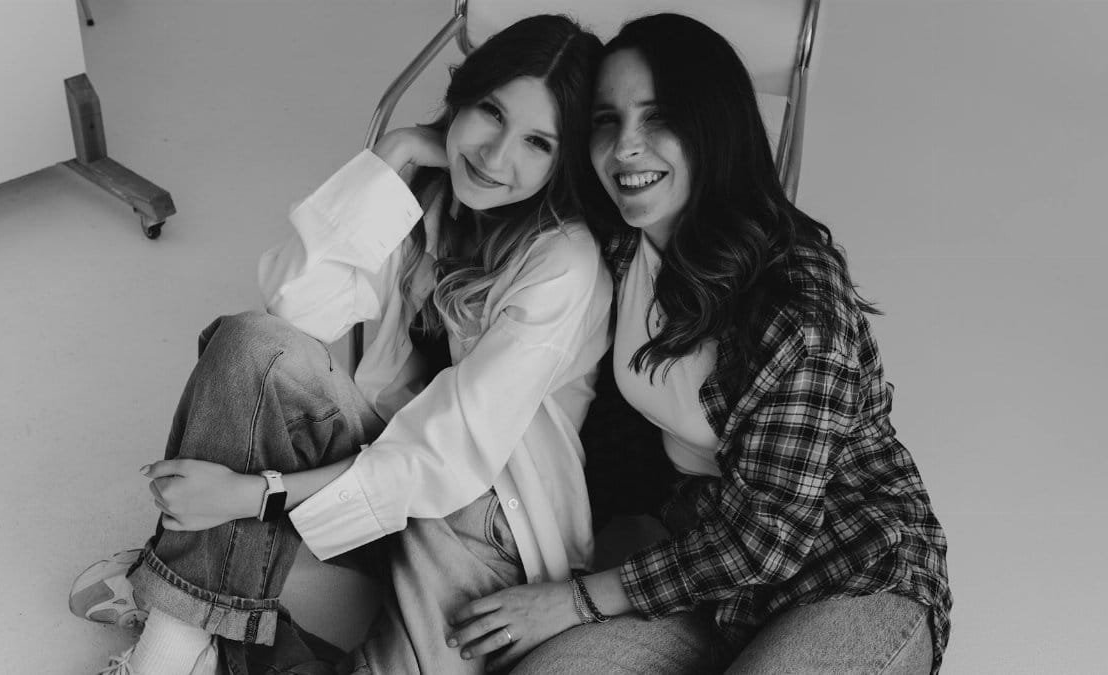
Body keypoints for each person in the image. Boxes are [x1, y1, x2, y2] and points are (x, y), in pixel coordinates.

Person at [73, 14, 611, 675]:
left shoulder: (565, 263)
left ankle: (196, 602)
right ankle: (170, 647)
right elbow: (295, 305)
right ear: (463, 96)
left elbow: (448, 459)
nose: (496, 156)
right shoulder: (427, 196)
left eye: (537, 142)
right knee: (254, 348)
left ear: (563, 162)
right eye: (492, 113)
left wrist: (254, 495)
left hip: (483, 518)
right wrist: (391, 158)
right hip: (381, 456)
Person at [445, 13, 953, 674]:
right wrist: (424, 153)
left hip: (848, 573)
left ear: (713, 126)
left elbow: (769, 537)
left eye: (657, 118)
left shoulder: (796, 301)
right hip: (705, 582)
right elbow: (504, 191)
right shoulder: (618, 246)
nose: (625, 147)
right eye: (606, 120)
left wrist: (573, 601)